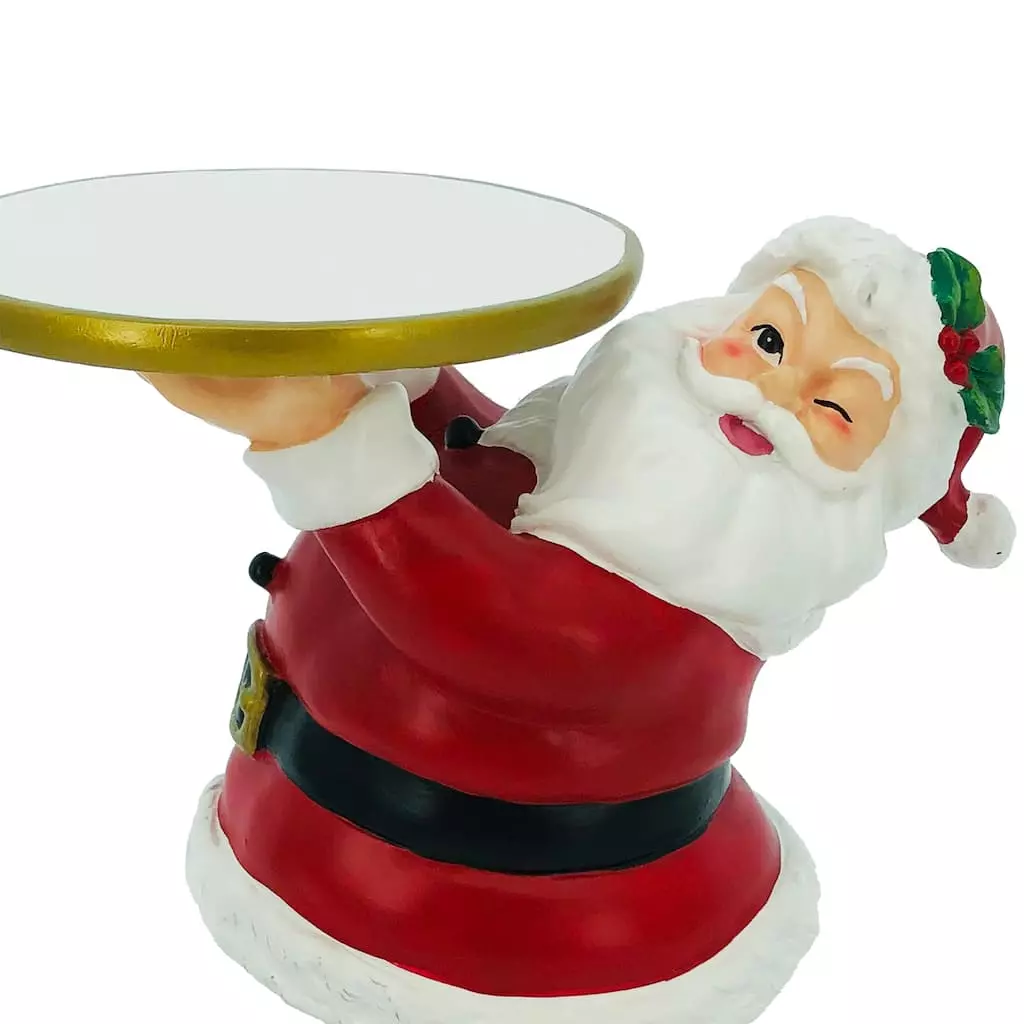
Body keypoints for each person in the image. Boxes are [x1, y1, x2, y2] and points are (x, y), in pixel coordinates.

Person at [151, 216, 1012, 1024]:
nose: (775, 393)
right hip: (301, 829)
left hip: (477, 936)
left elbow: (498, 620)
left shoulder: (673, 605)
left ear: (865, 488)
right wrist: (404, 375)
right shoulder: (627, 469)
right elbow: (482, 456)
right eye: (768, 340)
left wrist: (319, 432)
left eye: (836, 410)